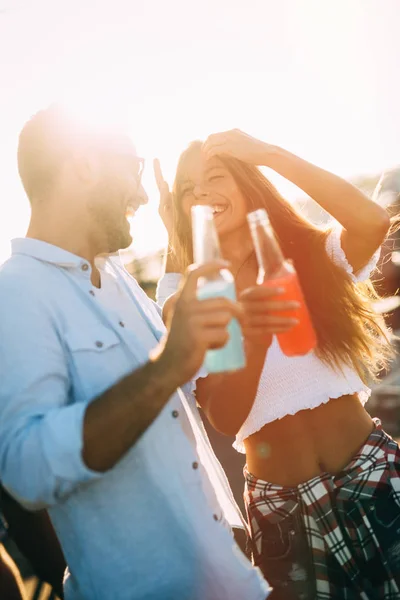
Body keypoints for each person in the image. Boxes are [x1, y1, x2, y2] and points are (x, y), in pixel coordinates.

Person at [0, 107, 283, 600]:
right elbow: (27, 471)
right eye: (131, 169)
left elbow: (175, 409)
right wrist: (170, 361)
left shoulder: (119, 279)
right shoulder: (16, 292)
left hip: (231, 576)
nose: (143, 193)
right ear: (84, 166)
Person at [156, 128, 400, 599]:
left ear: (248, 184)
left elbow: (371, 222)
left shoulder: (304, 256)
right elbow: (226, 418)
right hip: (281, 513)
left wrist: (269, 154)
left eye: (215, 176)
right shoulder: (194, 295)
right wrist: (256, 332)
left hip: (373, 474)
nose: (202, 192)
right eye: (189, 188)